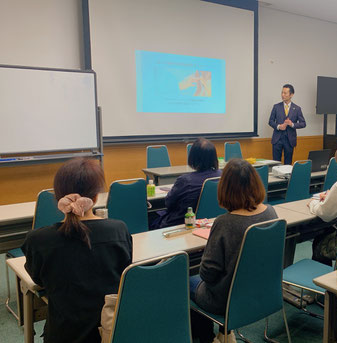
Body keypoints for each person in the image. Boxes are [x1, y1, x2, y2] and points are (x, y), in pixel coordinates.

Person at [22, 158, 132, 343]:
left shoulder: (38, 240)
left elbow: (38, 280)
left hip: (63, 335)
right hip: (109, 331)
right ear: (96, 197)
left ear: (58, 198)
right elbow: (124, 272)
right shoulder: (119, 230)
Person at [190, 159, 277, 343]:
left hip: (226, 300)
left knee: (187, 281)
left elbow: (208, 274)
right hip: (262, 292)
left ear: (225, 189)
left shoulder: (225, 222)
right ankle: (224, 334)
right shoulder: (271, 213)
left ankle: (208, 338)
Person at [151, 138, 221, 229]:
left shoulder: (185, 180)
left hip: (182, 224)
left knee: (150, 216)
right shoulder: (222, 176)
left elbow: (168, 203)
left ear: (193, 158)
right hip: (211, 222)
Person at [268, 84, 306, 165]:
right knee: (275, 163)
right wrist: (278, 126)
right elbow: (270, 121)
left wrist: (292, 124)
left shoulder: (297, 109)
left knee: (288, 164)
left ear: (291, 94)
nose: (283, 95)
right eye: (282, 92)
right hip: (277, 139)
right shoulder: (276, 107)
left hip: (289, 140)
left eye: (285, 93)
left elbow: (303, 123)